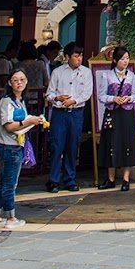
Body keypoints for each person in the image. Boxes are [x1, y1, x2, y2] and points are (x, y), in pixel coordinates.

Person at [0, 69, 45, 230]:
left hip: (14, 144)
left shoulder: (20, 100)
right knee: (10, 183)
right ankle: (10, 217)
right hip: (9, 145)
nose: (19, 82)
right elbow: (9, 126)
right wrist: (30, 122)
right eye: (15, 80)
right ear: (9, 83)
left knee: (4, 180)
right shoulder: (7, 101)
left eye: (22, 79)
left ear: (26, 81)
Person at [43, 42, 91, 192]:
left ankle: (70, 179)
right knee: (56, 146)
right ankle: (53, 180)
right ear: (67, 57)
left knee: (72, 145)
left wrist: (74, 100)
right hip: (59, 113)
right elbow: (49, 94)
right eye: (76, 56)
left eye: (81, 55)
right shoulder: (57, 72)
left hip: (76, 112)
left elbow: (87, 93)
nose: (79, 59)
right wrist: (58, 97)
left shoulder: (86, 72)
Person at [97, 45, 135, 191]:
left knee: (127, 141)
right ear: (115, 60)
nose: (125, 61)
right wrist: (113, 98)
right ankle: (110, 178)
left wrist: (129, 98)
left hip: (127, 112)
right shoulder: (107, 75)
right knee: (111, 142)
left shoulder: (131, 76)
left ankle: (126, 178)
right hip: (113, 111)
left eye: (127, 58)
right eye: (122, 58)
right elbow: (101, 95)